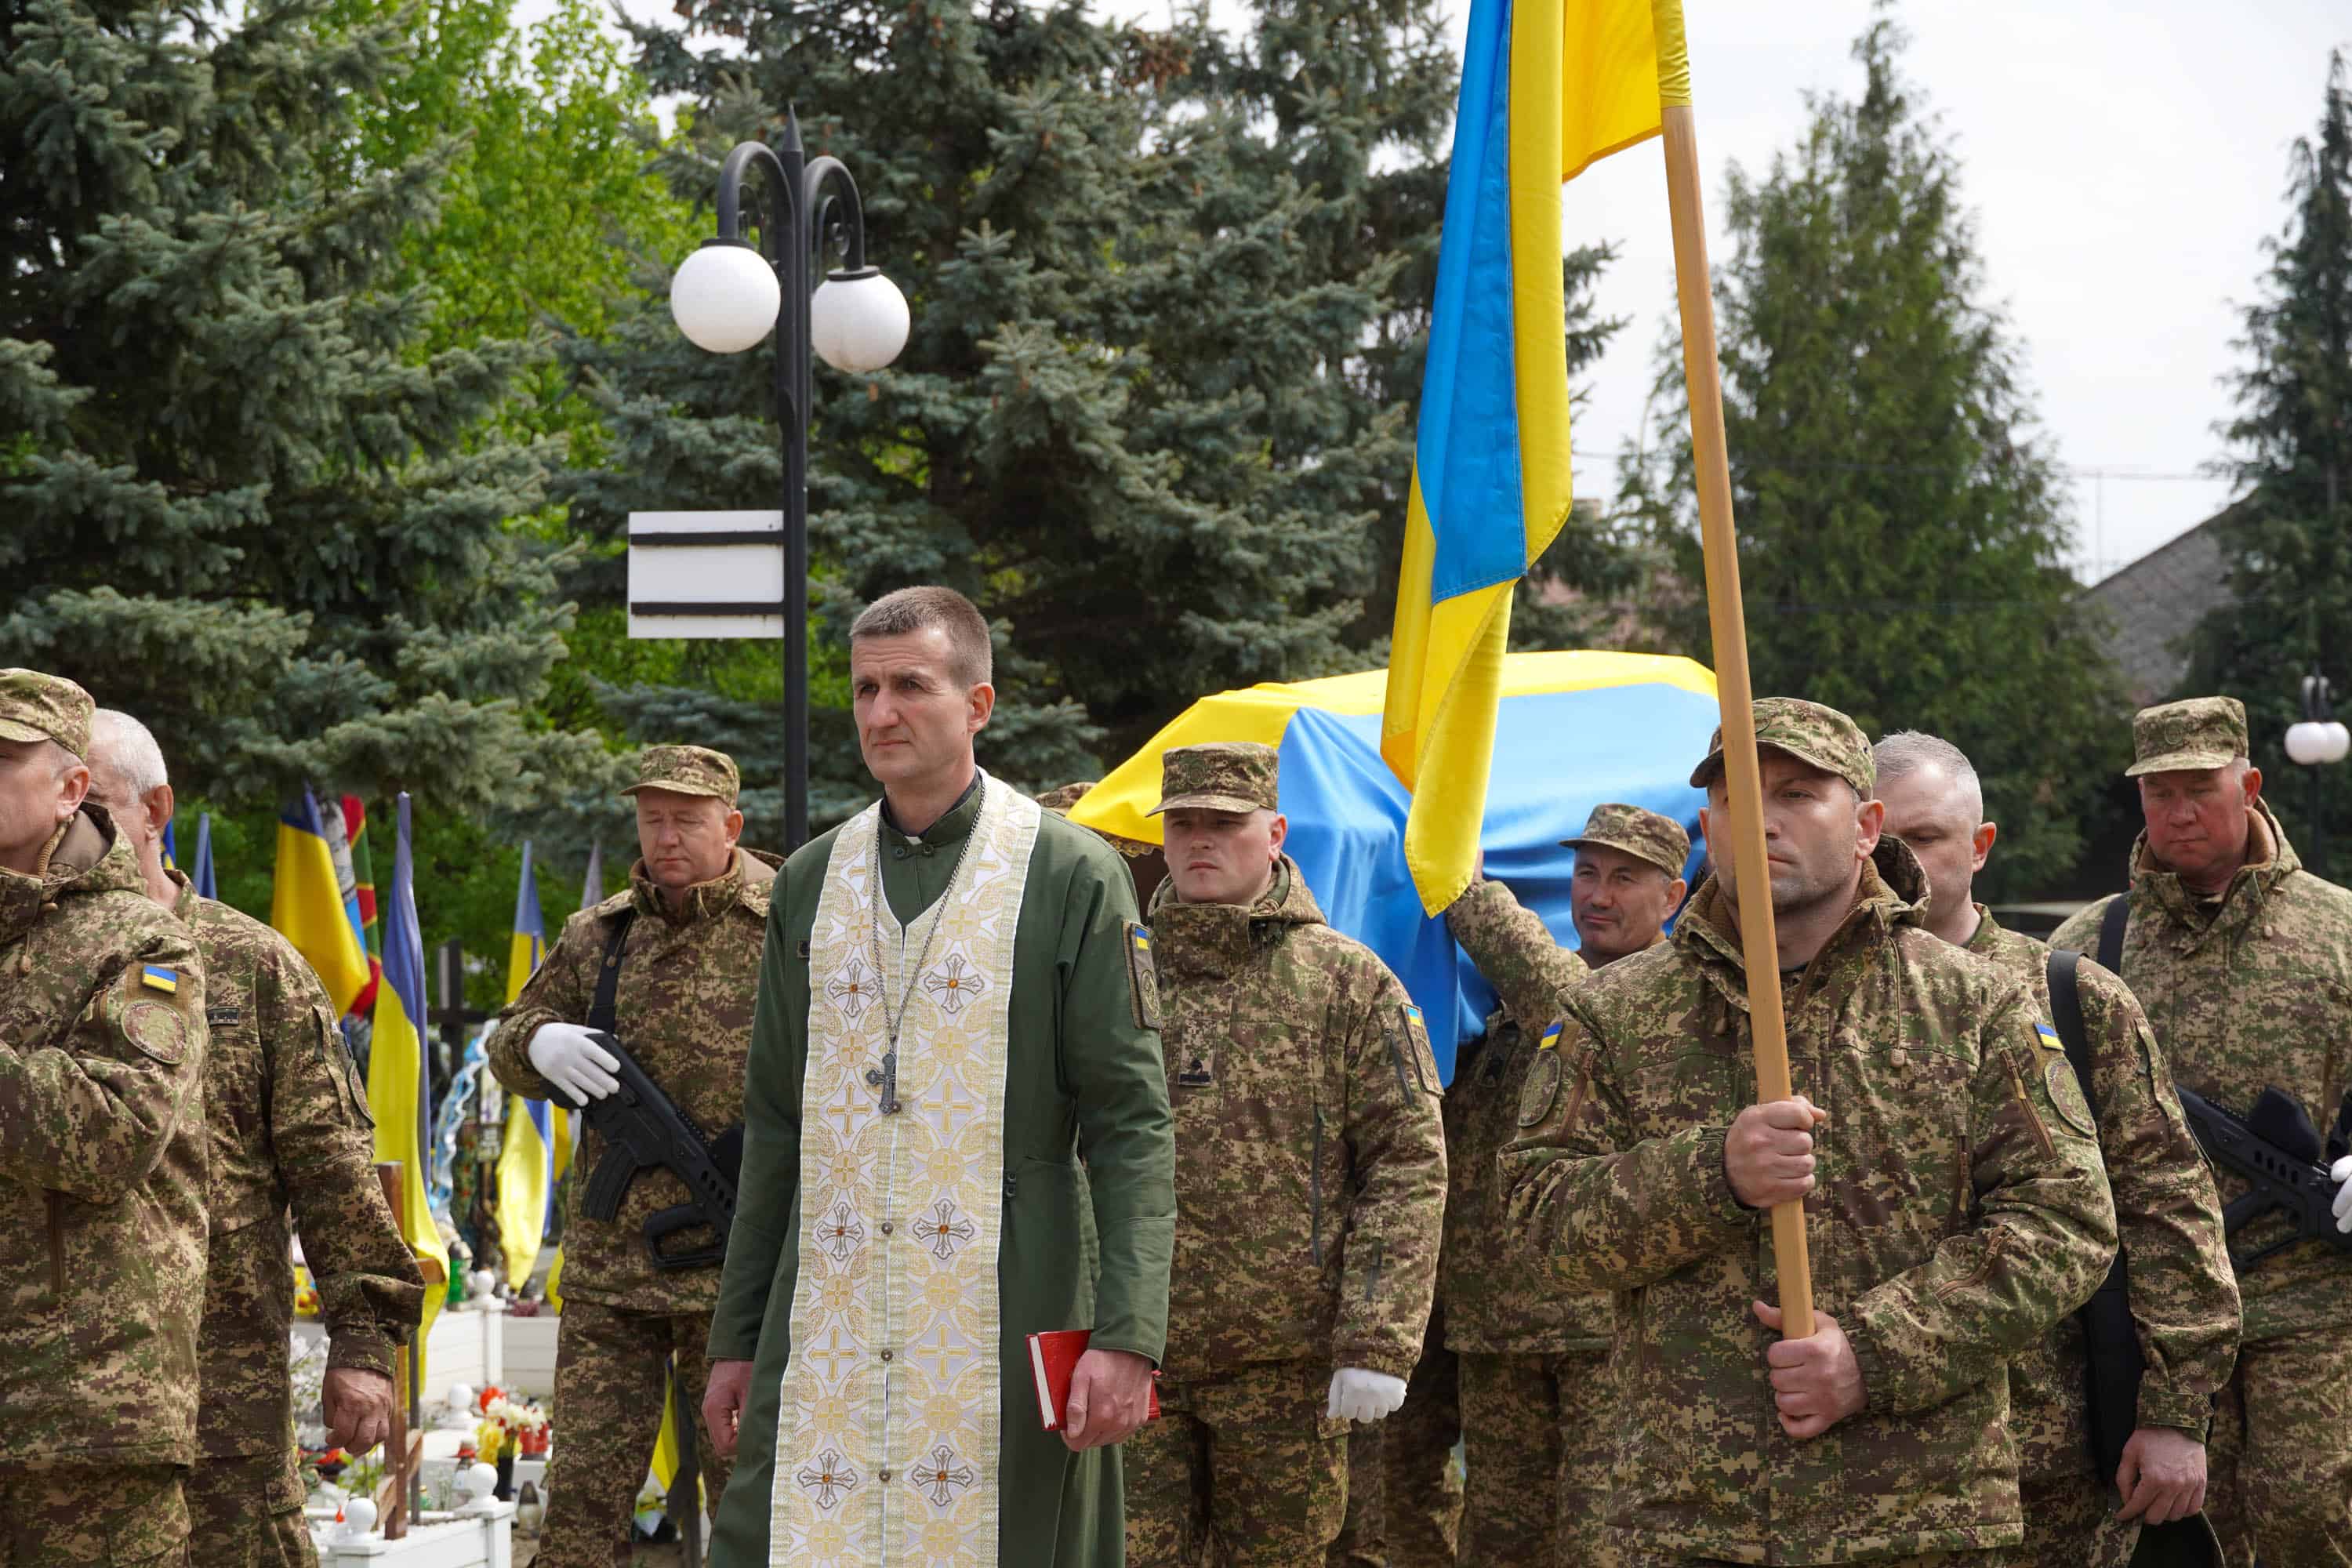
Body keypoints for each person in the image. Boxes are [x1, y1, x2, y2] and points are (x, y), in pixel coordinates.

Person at [1504, 697, 2119, 1567]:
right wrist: (1712, 1174)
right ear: (1707, 825)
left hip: (1918, 1520)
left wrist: (1874, 1351)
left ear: (1867, 827)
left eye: (1797, 793)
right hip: (1693, 1521)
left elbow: (2067, 1220)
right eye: (1734, 797)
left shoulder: (1973, 1003)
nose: (1762, 819)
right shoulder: (1613, 1012)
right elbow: (1537, 1223)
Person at [701, 586, 1176, 1566]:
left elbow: (1131, 1121)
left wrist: (1129, 1334)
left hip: (1008, 1301)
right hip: (825, 1318)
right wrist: (736, 1337)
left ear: (979, 703)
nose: (882, 712)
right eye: (865, 689)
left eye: (911, 685)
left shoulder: (1070, 873)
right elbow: (776, 1126)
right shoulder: (808, 881)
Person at [1875, 730, 2237, 1567]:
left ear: (1980, 844)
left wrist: (2177, 1411)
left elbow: (2168, 1205)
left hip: (2046, 1459)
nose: (1902, 864)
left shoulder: (2070, 996)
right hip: (1868, 1461)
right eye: (1882, 840)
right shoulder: (1805, 1011)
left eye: (1925, 837)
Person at [87, 710, 424, 1568]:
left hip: (221, 1392)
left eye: (95, 806)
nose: (70, 831)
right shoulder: (25, 965)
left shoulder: (250, 963)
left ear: (155, 809)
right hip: (56, 1405)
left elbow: (332, 1167)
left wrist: (362, 1342)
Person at [1122, 743, 1446, 1566]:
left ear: (1275, 834)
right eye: (1182, 823)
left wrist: (1377, 1339)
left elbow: (1407, 1165)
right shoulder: (1120, 972)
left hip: (1286, 1367)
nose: (1199, 840)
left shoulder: (1348, 982)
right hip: (1134, 1350)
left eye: (1224, 822)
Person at [2052, 697, 2352, 1566]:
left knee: (2312, 1516)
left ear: (2249, 786)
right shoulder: (2088, 948)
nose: (2179, 812)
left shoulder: (2338, 929)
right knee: (2183, 1534)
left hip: (2314, 1292)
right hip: (2160, 1310)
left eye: (2200, 789)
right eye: (2160, 793)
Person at [486, 743, 779, 1566]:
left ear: (732, 825)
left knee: (748, 1500)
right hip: (613, 1277)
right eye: (652, 819)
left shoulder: (789, 922)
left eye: (687, 819)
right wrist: (536, 1042)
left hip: (738, 1278)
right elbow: (507, 1039)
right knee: (582, 1505)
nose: (666, 837)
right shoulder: (599, 935)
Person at [1436, 802, 1687, 1564]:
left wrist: (1462, 888)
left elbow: (1565, 998)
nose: (1598, 895)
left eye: (1624, 878)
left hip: (1606, 1332)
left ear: (1672, 896)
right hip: (1499, 1324)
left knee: (1598, 1543)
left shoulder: (1670, 993)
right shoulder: (1508, 1012)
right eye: (1585, 873)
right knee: (1498, 1543)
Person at [0, 670, 211, 1564]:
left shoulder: (145, 943)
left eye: (2, 759)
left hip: (85, 1413)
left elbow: (114, 1131)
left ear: (71, 789)